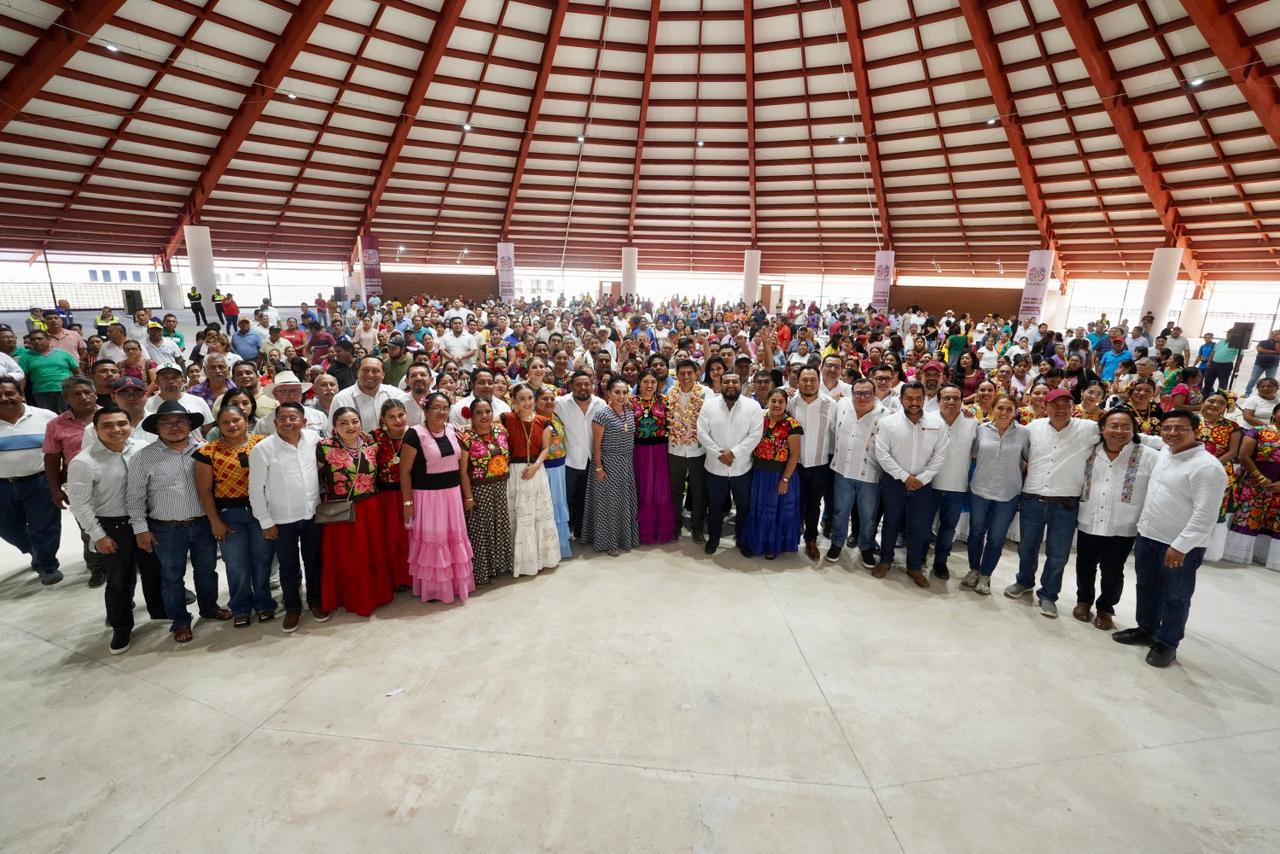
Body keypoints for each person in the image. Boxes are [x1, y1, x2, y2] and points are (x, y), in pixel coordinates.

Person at [1114, 409, 1228, 667]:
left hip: (1179, 547)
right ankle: (1146, 630)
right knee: (1146, 587)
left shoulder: (1207, 467)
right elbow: (1142, 437)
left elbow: (1205, 516)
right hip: (1148, 536)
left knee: (1175, 595)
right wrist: (1119, 427)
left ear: (1196, 431)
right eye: (1167, 428)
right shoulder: (1166, 451)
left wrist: (1180, 546)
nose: (1172, 433)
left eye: (1180, 429)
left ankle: (1167, 643)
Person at [126, 401, 231, 643]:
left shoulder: (205, 449)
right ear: (157, 427)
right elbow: (134, 498)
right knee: (172, 577)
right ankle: (180, 621)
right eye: (167, 423)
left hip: (203, 523)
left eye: (180, 421)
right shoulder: (143, 458)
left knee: (207, 571)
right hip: (166, 528)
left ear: (189, 425)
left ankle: (209, 607)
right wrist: (141, 530)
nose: (175, 427)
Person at [66, 406, 165, 653]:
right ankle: (121, 628)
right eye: (107, 425)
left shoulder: (143, 449)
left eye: (122, 423)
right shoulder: (84, 462)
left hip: (146, 521)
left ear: (130, 425)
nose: (116, 429)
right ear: (96, 430)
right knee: (120, 580)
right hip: (113, 526)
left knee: (154, 572)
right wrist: (98, 536)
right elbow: (80, 504)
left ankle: (160, 612)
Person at [1005, 388, 1100, 618]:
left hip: (1065, 503)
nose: (1060, 409)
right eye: (1054, 405)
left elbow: (1123, 432)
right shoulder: (1033, 428)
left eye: (1065, 405)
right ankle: (1024, 581)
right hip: (1033, 498)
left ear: (1073, 407)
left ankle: (1048, 595)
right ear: (1044, 407)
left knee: (1058, 554)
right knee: (1027, 546)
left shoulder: (1088, 428)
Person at [1072, 408, 1160, 630]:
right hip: (1090, 519)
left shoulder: (1149, 456)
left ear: (1134, 430)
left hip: (1123, 524)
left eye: (1125, 426)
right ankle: (1083, 601)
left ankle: (1105, 608)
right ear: (1102, 429)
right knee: (1085, 564)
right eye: (1113, 426)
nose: (1119, 431)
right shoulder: (1090, 451)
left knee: (1113, 569)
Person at [248, 403, 326, 632]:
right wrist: (265, 521)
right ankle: (293, 607)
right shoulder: (263, 449)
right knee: (288, 566)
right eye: (283, 418)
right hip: (281, 519)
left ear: (303, 421)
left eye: (293, 418)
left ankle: (315, 600)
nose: (288, 422)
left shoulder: (314, 440)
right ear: (275, 422)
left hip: (312, 513)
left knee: (314, 561)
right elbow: (255, 490)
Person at [193, 405, 273, 627]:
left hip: (261, 513)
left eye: (236, 420)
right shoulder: (207, 452)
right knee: (236, 564)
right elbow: (204, 491)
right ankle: (240, 606)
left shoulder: (262, 443)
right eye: (225, 422)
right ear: (218, 425)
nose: (231, 425)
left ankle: (264, 603)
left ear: (246, 420)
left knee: (262, 560)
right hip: (229, 515)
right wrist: (215, 522)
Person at [316, 406, 394, 617]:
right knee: (350, 556)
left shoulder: (371, 445)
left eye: (354, 421)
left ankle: (377, 594)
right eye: (343, 423)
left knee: (372, 552)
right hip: (343, 509)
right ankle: (353, 598)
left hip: (371, 506)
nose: (350, 427)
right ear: (334, 427)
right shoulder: (324, 448)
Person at [400, 393, 475, 603]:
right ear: (425, 410)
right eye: (436, 408)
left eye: (445, 408)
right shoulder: (415, 434)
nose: (442, 412)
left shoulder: (453, 431)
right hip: (428, 498)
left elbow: (462, 466)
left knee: (452, 540)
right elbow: (404, 472)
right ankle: (434, 589)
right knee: (434, 541)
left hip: (451, 496)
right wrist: (408, 502)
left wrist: (466, 496)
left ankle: (454, 585)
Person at [873, 382, 949, 586]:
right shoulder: (888, 423)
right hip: (894, 482)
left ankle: (914, 567)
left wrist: (921, 479)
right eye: (909, 398)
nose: (914, 402)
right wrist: (905, 477)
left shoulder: (937, 423)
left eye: (918, 398)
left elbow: (940, 455)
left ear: (924, 398)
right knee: (890, 523)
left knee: (919, 527)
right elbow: (882, 453)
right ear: (901, 399)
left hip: (923, 485)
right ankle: (885, 561)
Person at [963, 394, 1027, 595]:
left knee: (996, 538)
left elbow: (1027, 459)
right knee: (975, 533)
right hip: (980, 489)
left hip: (1008, 493)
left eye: (1009, 409)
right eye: (1000, 408)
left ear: (1015, 411)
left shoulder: (1024, 433)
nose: (1004, 412)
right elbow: (973, 455)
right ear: (993, 408)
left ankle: (986, 575)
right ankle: (974, 569)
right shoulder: (981, 429)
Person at [0, 376, 62, 584]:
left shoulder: (45, 417)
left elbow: (59, 448)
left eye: (10, 393)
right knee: (7, 528)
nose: (5, 398)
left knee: (45, 526)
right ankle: (33, 549)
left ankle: (47, 565)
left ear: (21, 395)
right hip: (2, 486)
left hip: (39, 482)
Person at [43, 375, 103, 585]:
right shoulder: (56, 425)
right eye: (77, 394)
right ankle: (97, 567)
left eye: (88, 392)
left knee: (121, 524)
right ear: (66, 397)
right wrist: (55, 489)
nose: (84, 397)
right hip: (78, 484)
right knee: (88, 527)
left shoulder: (110, 416)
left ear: (95, 394)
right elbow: (51, 458)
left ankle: (128, 562)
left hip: (114, 480)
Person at [697, 372, 764, 556]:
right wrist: (720, 454)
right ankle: (714, 539)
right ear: (721, 383)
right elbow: (702, 433)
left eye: (735, 381)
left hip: (742, 468)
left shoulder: (753, 406)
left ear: (741, 383)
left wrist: (733, 454)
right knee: (715, 506)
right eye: (726, 382)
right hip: (714, 466)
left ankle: (742, 540)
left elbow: (755, 435)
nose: (731, 385)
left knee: (744, 506)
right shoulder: (709, 405)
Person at [501, 384, 563, 571]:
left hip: (536, 471)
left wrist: (536, 465)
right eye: (521, 399)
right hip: (515, 472)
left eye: (529, 398)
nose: (527, 403)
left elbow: (545, 448)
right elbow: (485, 423)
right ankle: (519, 561)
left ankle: (541, 558)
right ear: (513, 401)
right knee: (519, 515)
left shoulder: (542, 421)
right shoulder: (506, 419)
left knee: (538, 515)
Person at [827, 377, 885, 566]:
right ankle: (836, 543)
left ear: (874, 395)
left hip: (870, 475)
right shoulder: (842, 406)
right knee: (840, 511)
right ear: (851, 394)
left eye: (867, 393)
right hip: (842, 470)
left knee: (868, 516)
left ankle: (866, 547)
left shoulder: (886, 415)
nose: (862, 397)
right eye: (857, 393)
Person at [581, 378, 641, 555]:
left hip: (625, 464)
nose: (621, 396)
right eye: (617, 392)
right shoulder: (601, 414)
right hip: (608, 463)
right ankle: (609, 542)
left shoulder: (629, 412)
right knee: (609, 505)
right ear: (609, 393)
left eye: (624, 392)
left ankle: (624, 538)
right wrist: (599, 468)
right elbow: (596, 445)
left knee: (622, 502)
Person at [742, 389, 803, 559]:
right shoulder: (758, 420)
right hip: (759, 473)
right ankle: (756, 542)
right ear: (767, 401)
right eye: (773, 401)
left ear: (786, 403)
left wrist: (785, 479)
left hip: (780, 474)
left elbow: (795, 455)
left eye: (780, 402)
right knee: (758, 510)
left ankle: (772, 546)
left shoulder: (792, 425)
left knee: (777, 512)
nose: (776, 405)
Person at [459, 399, 514, 584]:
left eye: (487, 411)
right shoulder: (466, 438)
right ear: (471, 416)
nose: (484, 416)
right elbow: (463, 471)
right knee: (481, 531)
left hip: (501, 487)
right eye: (479, 413)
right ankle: (484, 571)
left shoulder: (501, 431)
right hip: (478, 490)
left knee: (500, 527)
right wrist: (468, 497)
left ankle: (500, 566)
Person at [786, 366, 836, 560]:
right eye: (804, 379)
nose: (808, 383)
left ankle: (811, 539)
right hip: (794, 463)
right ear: (797, 381)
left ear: (818, 381)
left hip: (819, 463)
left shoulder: (831, 405)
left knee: (814, 504)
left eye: (812, 379)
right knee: (794, 503)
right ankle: (791, 537)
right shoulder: (790, 403)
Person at [930, 384, 978, 579]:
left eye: (956, 398)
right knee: (923, 525)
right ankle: (917, 558)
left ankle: (941, 561)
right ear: (939, 400)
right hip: (929, 484)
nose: (951, 401)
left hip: (957, 485)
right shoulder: (929, 420)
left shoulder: (972, 423)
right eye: (946, 398)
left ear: (962, 401)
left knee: (948, 527)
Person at [555, 370, 605, 538]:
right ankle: (564, 535)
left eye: (586, 384)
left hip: (592, 461)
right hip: (569, 461)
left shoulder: (601, 404)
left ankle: (583, 533)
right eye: (578, 385)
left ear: (592, 385)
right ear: (571, 386)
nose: (583, 388)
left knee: (587, 500)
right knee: (566, 500)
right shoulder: (560, 403)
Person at [665, 359, 709, 543]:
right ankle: (675, 525)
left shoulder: (707, 394)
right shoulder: (670, 392)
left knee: (698, 492)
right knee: (675, 491)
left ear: (696, 374)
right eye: (681, 373)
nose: (685, 377)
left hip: (697, 451)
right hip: (675, 450)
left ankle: (697, 528)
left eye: (689, 373)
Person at [1194, 391, 1241, 560]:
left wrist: (1211, 465)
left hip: (1219, 469)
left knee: (1211, 506)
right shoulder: (1191, 420)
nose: (1214, 405)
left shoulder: (1232, 426)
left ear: (1225, 407)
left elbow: (1233, 451)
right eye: (1211, 401)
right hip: (1190, 467)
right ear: (1204, 401)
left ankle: (1205, 550)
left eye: (1220, 403)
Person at [371, 399, 412, 592]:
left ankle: (413, 577)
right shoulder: (375, 437)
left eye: (401, 415)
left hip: (411, 493)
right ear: (383, 420)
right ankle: (396, 579)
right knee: (391, 538)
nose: (398, 420)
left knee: (411, 537)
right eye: (391, 417)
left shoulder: (415, 434)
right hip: (386, 496)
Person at [631, 370, 675, 543]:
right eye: (645, 382)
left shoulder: (665, 401)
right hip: (639, 451)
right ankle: (641, 530)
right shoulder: (630, 402)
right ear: (639, 383)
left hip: (660, 450)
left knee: (660, 488)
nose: (649, 386)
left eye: (653, 382)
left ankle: (660, 529)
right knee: (643, 487)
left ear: (658, 384)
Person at [535, 387, 573, 559]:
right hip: (543, 468)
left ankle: (560, 543)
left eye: (551, 399)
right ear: (536, 401)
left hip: (560, 468)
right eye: (544, 399)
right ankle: (546, 548)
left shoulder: (556, 417)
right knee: (546, 506)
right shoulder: (534, 420)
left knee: (559, 503)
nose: (549, 402)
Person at [330, 356, 409, 431]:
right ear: (357, 372)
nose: (370, 375)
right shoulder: (341, 399)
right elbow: (332, 431)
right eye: (365, 370)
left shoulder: (396, 394)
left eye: (375, 371)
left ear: (383, 375)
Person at [18, 329, 79, 412]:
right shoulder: (25, 357)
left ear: (48, 339)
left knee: (69, 415)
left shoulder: (64, 354)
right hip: (41, 392)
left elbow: (77, 372)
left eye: (40, 338)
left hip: (65, 390)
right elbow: (23, 378)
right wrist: (21, 394)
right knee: (48, 417)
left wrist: (79, 387)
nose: (36, 341)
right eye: (33, 339)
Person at [1243, 329, 1280, 395]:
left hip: (1273, 365)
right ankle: (1247, 392)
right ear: (1270, 334)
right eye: (1273, 334)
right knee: (1253, 379)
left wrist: (1277, 341)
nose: (1274, 335)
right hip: (1259, 364)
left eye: (1276, 334)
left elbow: (1278, 351)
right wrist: (1273, 352)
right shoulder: (1263, 342)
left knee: (1271, 381)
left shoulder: (1278, 343)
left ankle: (1270, 394)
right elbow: (1260, 350)